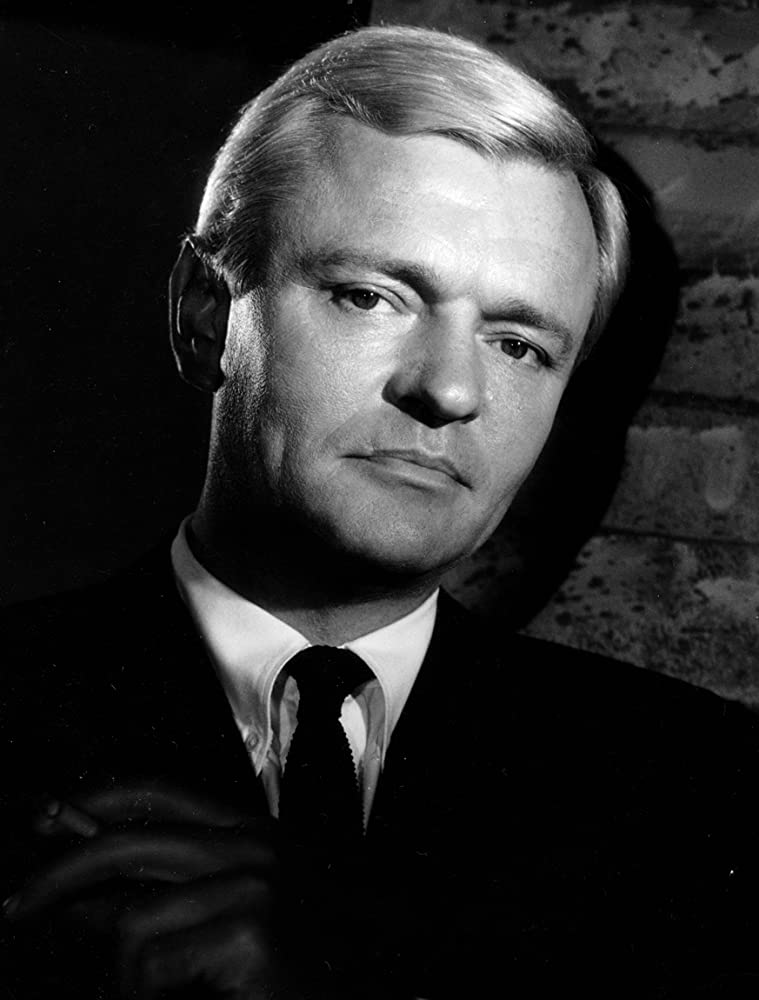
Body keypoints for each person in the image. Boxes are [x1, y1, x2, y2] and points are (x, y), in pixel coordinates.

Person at [2, 23, 759, 1000]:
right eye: (371, 297)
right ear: (202, 313)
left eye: (519, 345)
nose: (448, 390)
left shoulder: (701, 786)